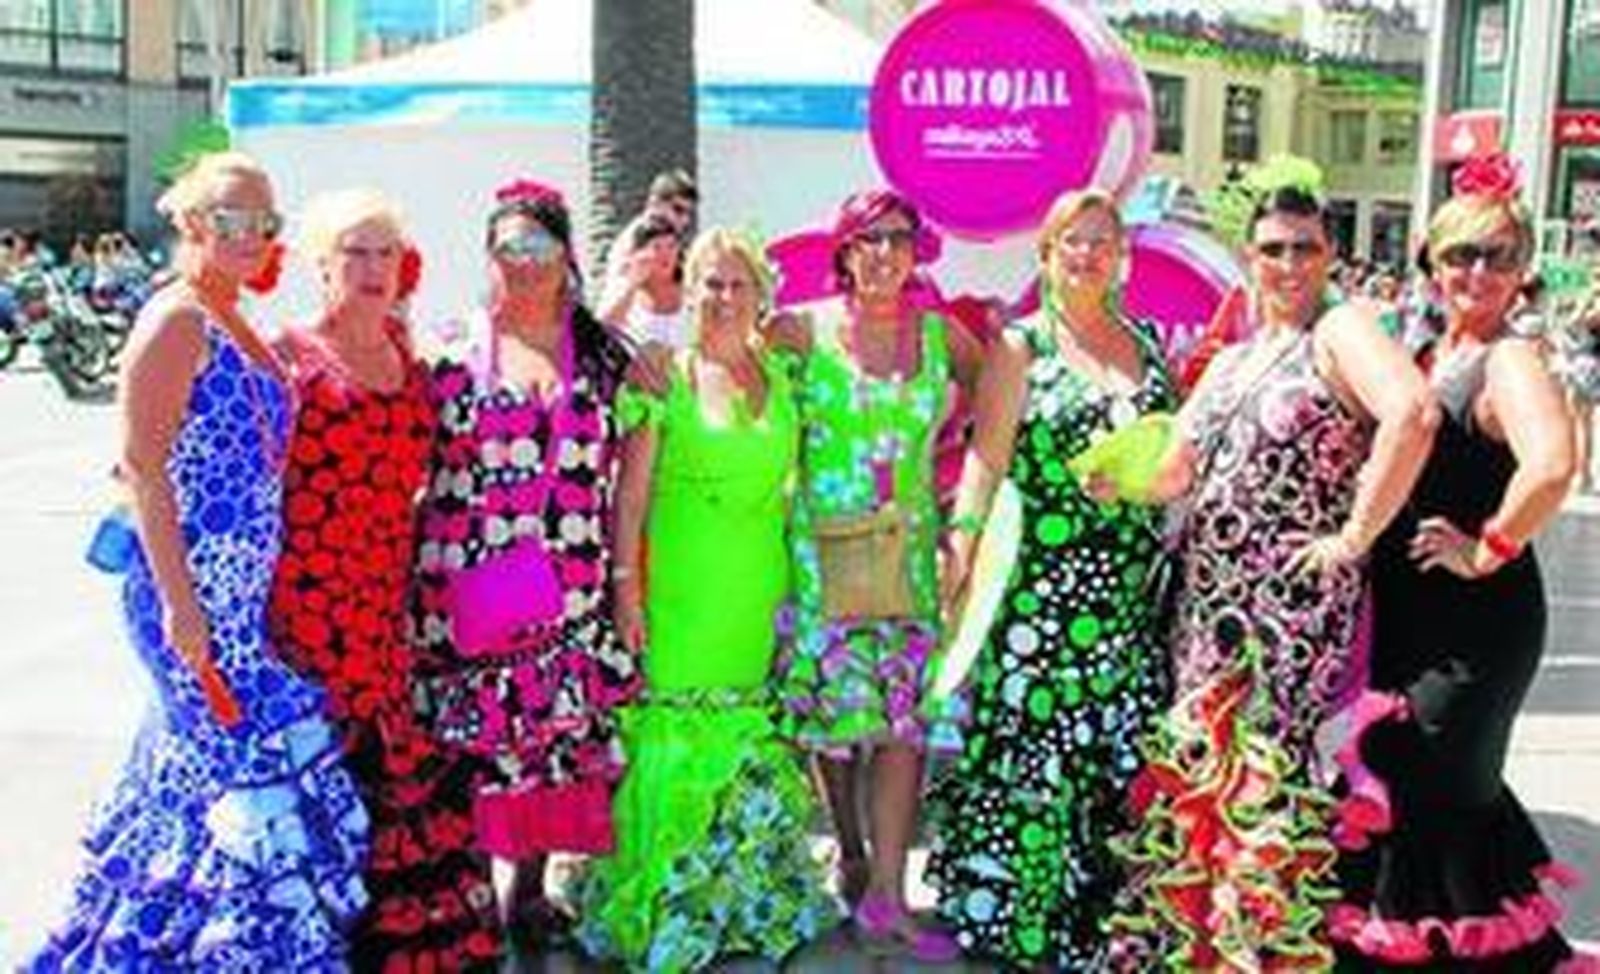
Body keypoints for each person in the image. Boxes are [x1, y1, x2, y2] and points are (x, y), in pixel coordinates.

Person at [26, 152, 369, 969]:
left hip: (240, 599)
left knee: (191, 779)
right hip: (189, 593)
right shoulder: (177, 318)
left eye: (265, 223)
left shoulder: (236, 314)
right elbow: (142, 468)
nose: (251, 237)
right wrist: (182, 608)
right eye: (232, 220)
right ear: (189, 224)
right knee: (235, 773)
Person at [1107, 183, 1437, 969]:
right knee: (1203, 782)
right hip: (1207, 614)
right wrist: (1119, 476)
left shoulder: (1341, 328)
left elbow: (1414, 413)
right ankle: (1204, 952)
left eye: (1306, 247)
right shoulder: (1236, 353)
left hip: (1286, 616)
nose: (1288, 263)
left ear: (1329, 257)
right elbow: (1176, 469)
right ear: (1248, 260)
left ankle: (1257, 954)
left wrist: (1353, 536)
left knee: (1263, 793)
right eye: (1272, 249)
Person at [1331, 156, 1593, 971]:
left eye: (1499, 257)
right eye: (1460, 255)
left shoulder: (1506, 359)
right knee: (1408, 798)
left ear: (1523, 272)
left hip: (1473, 628)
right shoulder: (1429, 350)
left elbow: (1554, 464)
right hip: (1412, 621)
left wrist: (1489, 548)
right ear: (1430, 261)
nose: (1477, 272)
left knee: (1431, 802)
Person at [926, 189, 1177, 970]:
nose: (1088, 253)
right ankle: (1026, 925)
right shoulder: (1020, 348)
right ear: (1047, 251)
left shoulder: (1146, 341)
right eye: (1074, 240)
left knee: (1110, 760)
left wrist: (1150, 483)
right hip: (1042, 597)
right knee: (1037, 757)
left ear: (1121, 254)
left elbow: (1175, 459)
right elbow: (988, 459)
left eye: (1102, 240)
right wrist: (960, 546)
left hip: (1126, 600)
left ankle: (1106, 923)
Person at [574, 229, 837, 969]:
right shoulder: (665, 379)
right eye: (709, 284)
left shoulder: (783, 373)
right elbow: (629, 502)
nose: (722, 298)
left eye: (737, 284)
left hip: (758, 591)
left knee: (748, 731)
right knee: (678, 738)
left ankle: (742, 904)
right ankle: (669, 910)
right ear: (688, 292)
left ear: (761, 296)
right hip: (682, 591)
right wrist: (626, 592)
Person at [268, 189, 501, 969]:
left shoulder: (414, 361)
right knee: (325, 770)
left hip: (385, 610)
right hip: (309, 610)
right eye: (354, 253)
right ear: (322, 266)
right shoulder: (289, 356)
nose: (372, 269)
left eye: (385, 254)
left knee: (386, 780)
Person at [409, 178, 638, 944]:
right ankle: (471, 893)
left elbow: (646, 437)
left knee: (551, 740)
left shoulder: (605, 357)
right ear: (488, 256)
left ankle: (530, 892)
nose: (525, 261)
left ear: (568, 254)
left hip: (569, 588)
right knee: (473, 747)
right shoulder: (445, 349)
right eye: (509, 246)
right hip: (468, 585)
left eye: (539, 244)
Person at [774, 188, 983, 962]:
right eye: (868, 239)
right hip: (819, 561)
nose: (884, 253)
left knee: (903, 732)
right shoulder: (801, 330)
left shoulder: (942, 337)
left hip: (909, 560)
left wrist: (970, 506)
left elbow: (1003, 393)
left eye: (898, 238)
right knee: (833, 733)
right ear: (844, 252)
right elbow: (725, 364)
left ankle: (888, 894)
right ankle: (853, 849)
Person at [597, 211, 688, 349]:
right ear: (640, 253)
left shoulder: (690, 287)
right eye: (657, 247)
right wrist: (632, 286)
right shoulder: (625, 291)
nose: (666, 254)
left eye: (671, 246)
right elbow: (602, 333)